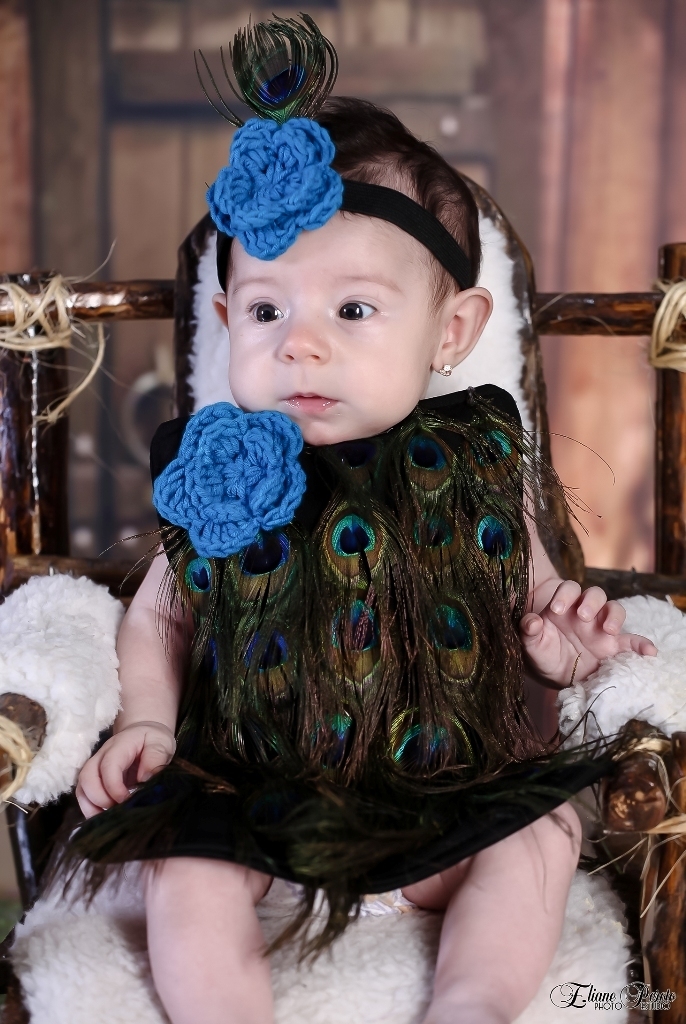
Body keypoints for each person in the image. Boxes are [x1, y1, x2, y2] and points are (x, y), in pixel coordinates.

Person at [71, 16, 656, 1024]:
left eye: (351, 310)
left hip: (450, 794)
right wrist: (148, 721)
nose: (300, 345)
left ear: (450, 331)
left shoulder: (477, 460)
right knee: (181, 868)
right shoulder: (214, 468)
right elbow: (160, 616)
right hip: (249, 801)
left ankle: (470, 1002)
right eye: (267, 311)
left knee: (545, 831)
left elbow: (535, 598)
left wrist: (559, 652)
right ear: (227, 320)